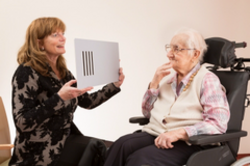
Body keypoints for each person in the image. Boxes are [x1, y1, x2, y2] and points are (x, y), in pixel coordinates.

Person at [104, 28, 230, 166]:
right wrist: (154, 84)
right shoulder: (167, 79)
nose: (169, 54)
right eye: (169, 48)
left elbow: (218, 123)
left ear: (195, 54)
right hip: (157, 133)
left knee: (140, 159)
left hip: (190, 142)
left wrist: (179, 133)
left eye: (177, 49)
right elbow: (147, 114)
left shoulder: (207, 80)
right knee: (121, 145)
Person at [9, 17, 125, 166]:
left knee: (115, 148)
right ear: (39, 42)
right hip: (38, 150)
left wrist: (114, 85)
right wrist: (59, 98)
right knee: (98, 149)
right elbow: (22, 122)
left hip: (64, 139)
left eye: (63, 33)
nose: (63, 38)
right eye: (55, 35)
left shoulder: (63, 72)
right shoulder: (26, 73)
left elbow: (88, 102)